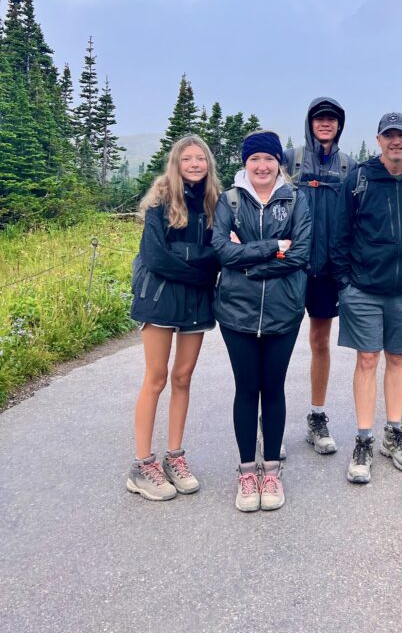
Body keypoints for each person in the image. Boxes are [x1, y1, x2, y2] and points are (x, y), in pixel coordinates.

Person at [331, 112, 402, 485]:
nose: (395, 142)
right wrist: (344, 283)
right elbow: (339, 235)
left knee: (397, 357)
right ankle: (364, 439)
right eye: (388, 135)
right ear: (379, 140)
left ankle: (394, 433)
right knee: (367, 359)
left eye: (401, 135)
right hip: (362, 289)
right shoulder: (359, 180)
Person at [212, 131, 311, 512]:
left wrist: (248, 261)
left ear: (279, 163)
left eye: (269, 159)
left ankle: (270, 470)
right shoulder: (230, 201)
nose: (262, 166)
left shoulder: (295, 199)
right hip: (236, 313)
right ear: (245, 163)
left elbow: (301, 253)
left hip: (283, 311)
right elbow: (221, 250)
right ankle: (245, 471)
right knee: (245, 388)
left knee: (273, 389)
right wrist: (272, 248)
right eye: (254, 159)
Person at [127, 135, 221, 501]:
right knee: (156, 377)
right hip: (160, 300)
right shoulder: (160, 202)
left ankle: (174, 457)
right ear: (176, 164)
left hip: (196, 303)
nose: (195, 164)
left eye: (201, 159)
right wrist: (198, 266)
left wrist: (192, 259)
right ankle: (141, 465)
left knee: (183, 377)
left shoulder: (214, 203)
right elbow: (155, 257)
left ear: (208, 164)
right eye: (188, 159)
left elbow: (217, 255)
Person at [283, 97, 357, 455]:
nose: (325, 123)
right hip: (292, 268)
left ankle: (316, 416)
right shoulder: (290, 160)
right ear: (310, 123)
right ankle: (270, 421)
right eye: (319, 118)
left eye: (331, 119)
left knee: (319, 343)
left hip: (327, 271)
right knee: (276, 344)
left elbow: (362, 217)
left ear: (339, 125)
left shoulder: (348, 166)